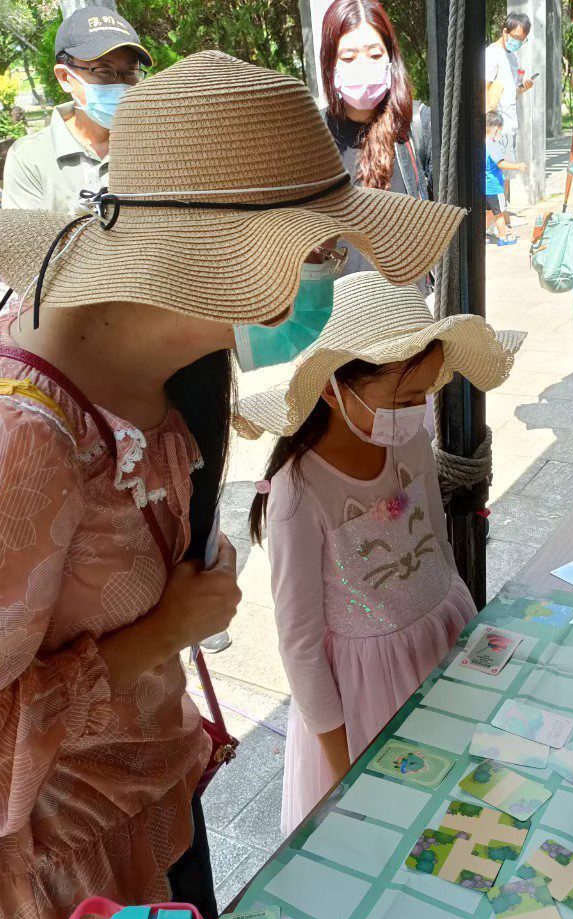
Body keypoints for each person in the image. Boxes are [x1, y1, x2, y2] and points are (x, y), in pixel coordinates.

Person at [0, 51, 463, 919]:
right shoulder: (8, 444)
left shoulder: (178, 365)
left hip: (155, 824)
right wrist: (159, 631)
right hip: (66, 897)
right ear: (232, 264)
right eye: (317, 248)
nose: (323, 270)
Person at [238, 272, 521, 832]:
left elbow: (437, 543)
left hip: (444, 632)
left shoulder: (407, 437)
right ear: (331, 388)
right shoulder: (299, 492)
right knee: (395, 821)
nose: (417, 412)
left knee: (462, 809)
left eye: (423, 397)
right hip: (371, 691)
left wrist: (468, 630)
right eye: (403, 398)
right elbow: (299, 645)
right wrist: (344, 765)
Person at [320, 0, 432, 277]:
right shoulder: (314, 133)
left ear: (390, 58)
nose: (363, 66)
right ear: (330, 63)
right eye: (348, 57)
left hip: (410, 308)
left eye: (374, 54)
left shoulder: (417, 125)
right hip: (338, 310)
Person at [2, 5, 151, 214]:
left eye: (130, 72)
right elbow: (27, 243)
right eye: (104, 71)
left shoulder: (156, 144)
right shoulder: (29, 157)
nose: (121, 84)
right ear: (65, 77)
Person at [485, 13, 534, 202]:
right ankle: (499, 219)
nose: (518, 42)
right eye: (515, 38)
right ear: (505, 31)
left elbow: (511, 91)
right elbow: (485, 88)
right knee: (499, 171)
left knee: (506, 174)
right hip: (497, 125)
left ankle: (503, 215)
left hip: (510, 123)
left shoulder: (512, 56)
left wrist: (524, 87)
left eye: (522, 40)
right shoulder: (491, 54)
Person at [484, 111, 527, 245]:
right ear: (496, 128)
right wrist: (517, 166)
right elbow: (501, 163)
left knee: (489, 213)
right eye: (500, 132)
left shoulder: (481, 143)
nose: (501, 135)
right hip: (495, 188)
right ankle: (503, 237)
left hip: (484, 188)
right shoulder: (492, 145)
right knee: (500, 214)